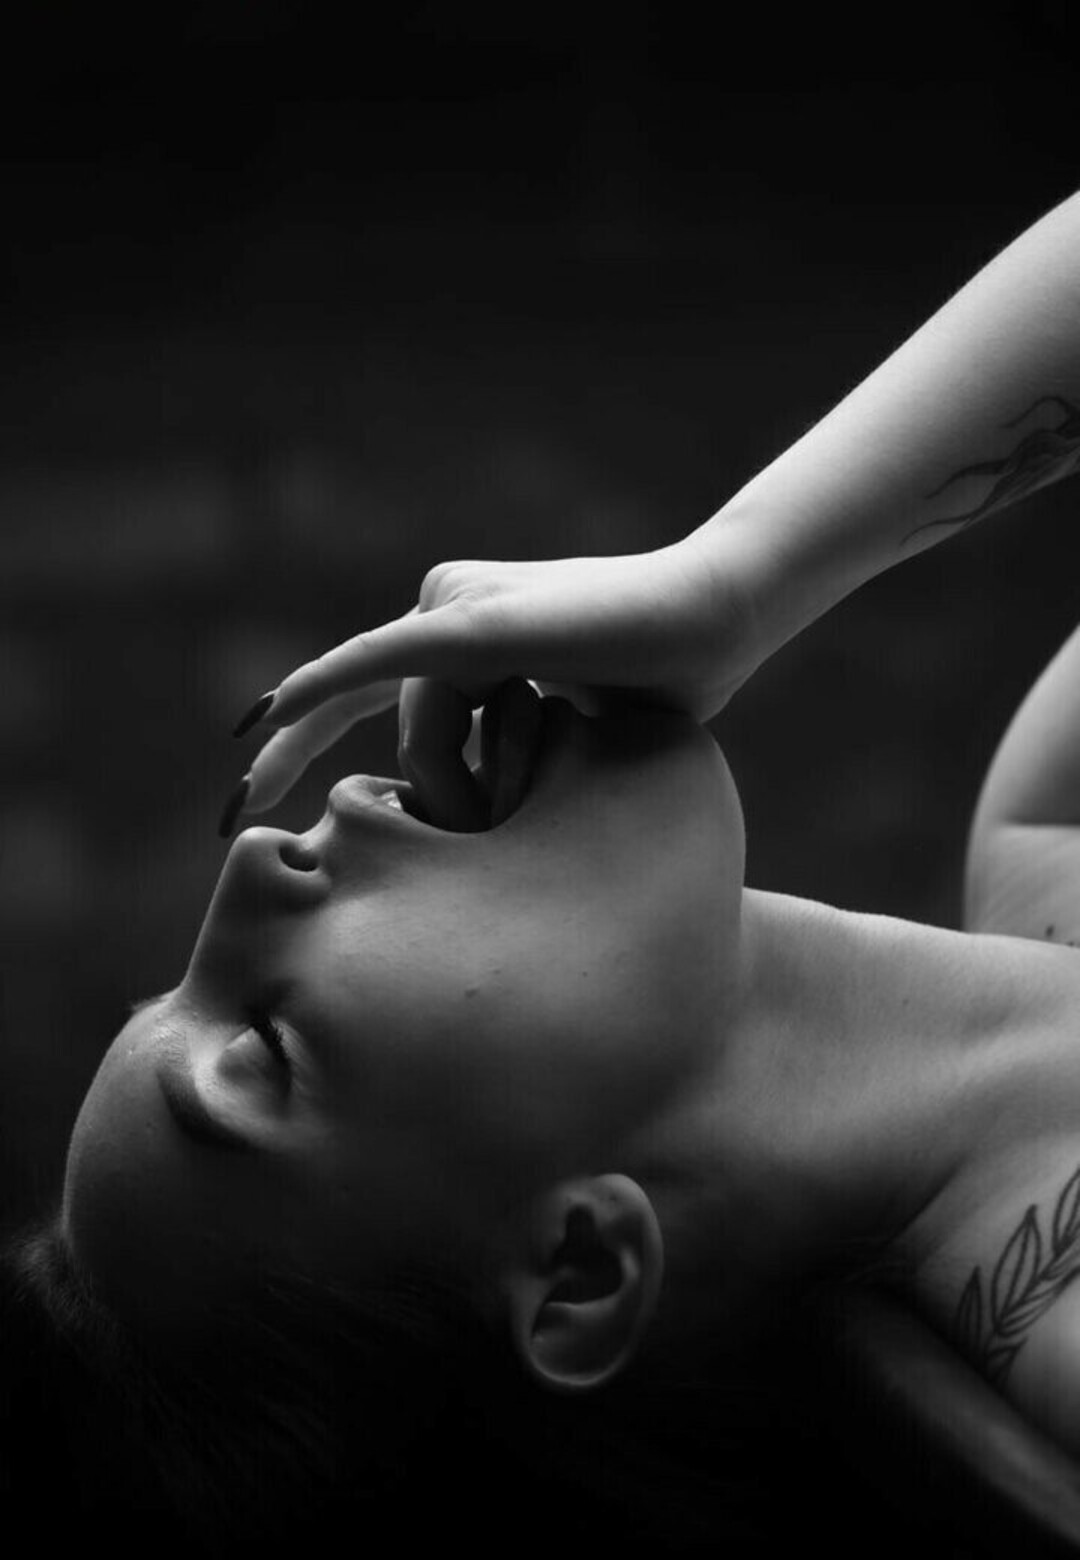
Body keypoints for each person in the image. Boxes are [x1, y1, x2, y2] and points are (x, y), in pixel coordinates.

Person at [8, 189, 1080, 1555]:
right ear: (579, 1269)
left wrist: (739, 579)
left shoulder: (1049, 827)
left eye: (180, 976)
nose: (255, 861)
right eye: (262, 1047)